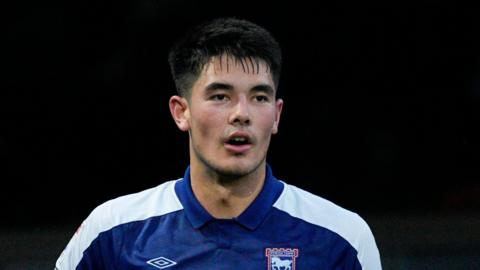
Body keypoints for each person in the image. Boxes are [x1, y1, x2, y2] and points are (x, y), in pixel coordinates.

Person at [55, 17, 382, 269]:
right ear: (181, 112)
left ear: (277, 115)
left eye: (259, 97)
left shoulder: (342, 238)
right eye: (221, 96)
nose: (242, 114)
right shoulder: (113, 230)